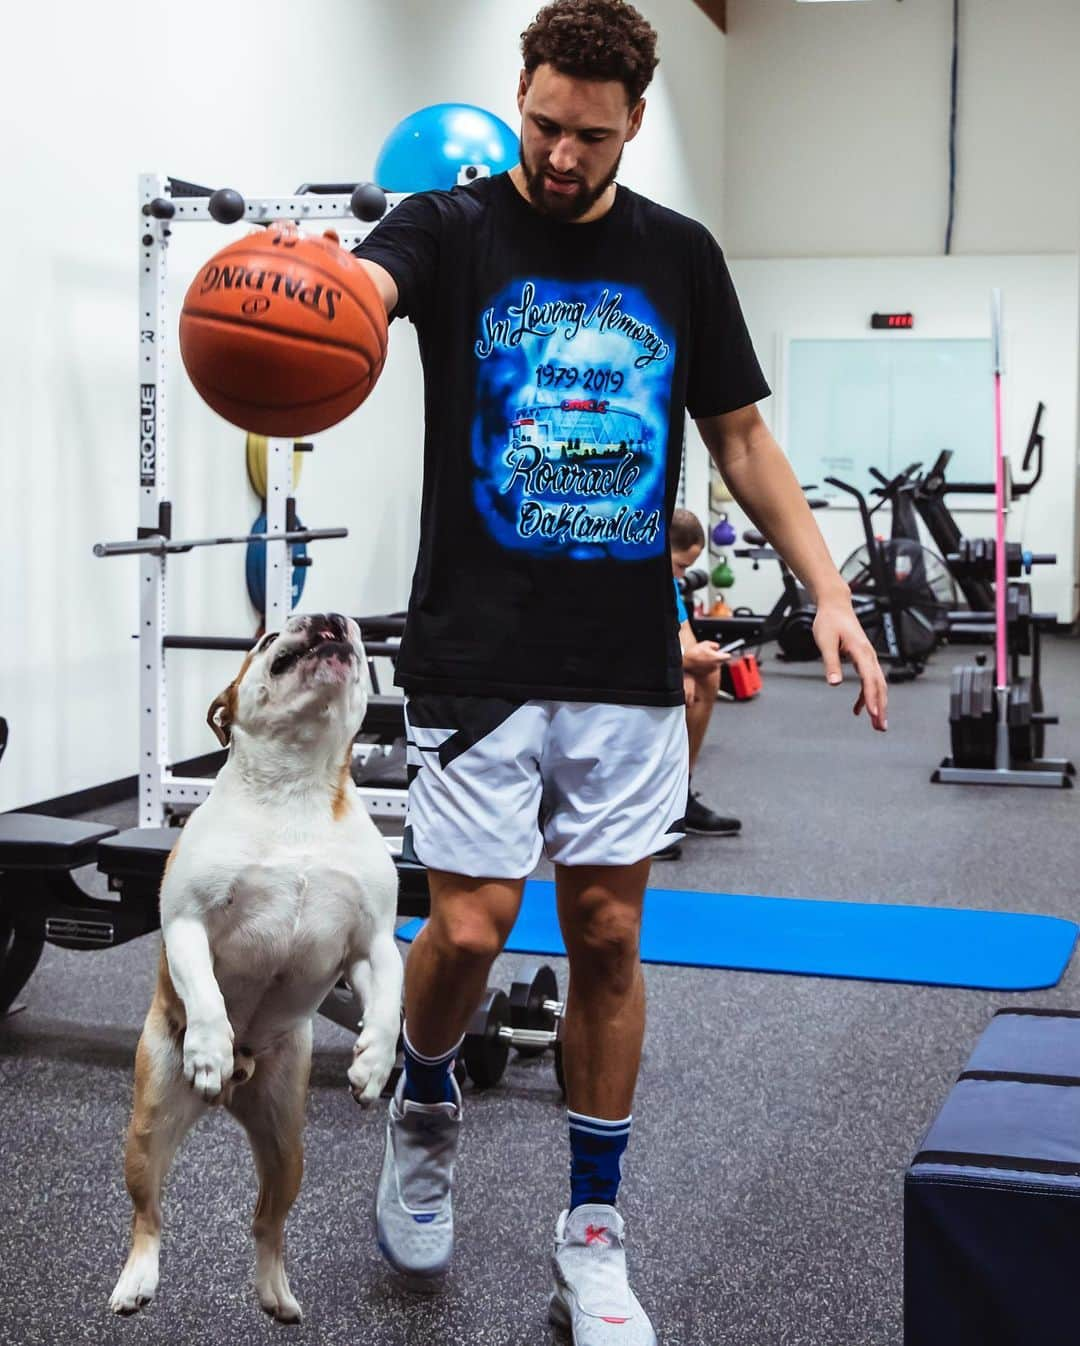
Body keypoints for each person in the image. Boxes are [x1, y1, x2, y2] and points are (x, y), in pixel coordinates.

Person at [354, 3, 887, 1341]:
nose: (561, 153)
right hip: (477, 649)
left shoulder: (680, 256)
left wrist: (827, 591)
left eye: (591, 134)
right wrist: (317, 300)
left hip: (622, 656)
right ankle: (426, 1094)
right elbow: (368, 287)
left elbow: (745, 436)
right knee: (469, 929)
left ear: (634, 122)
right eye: (541, 122)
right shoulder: (455, 224)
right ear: (518, 97)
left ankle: (591, 1229)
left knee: (604, 932)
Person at [653, 507, 737, 861]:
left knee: (709, 673)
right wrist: (681, 664)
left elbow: (682, 630)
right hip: (609, 669)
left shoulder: (667, 582)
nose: (683, 575)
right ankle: (651, 812)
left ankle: (679, 796)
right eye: (680, 566)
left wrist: (689, 662)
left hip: (655, 661)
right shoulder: (634, 579)